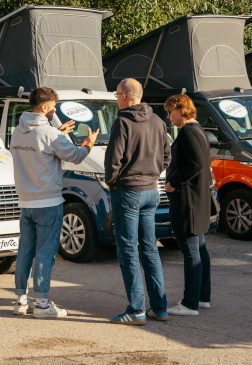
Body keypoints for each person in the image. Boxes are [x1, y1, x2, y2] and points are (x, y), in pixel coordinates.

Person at [10, 87, 99, 319]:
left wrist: (57, 133)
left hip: (26, 202)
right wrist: (89, 143)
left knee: (25, 252)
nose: (55, 110)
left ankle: (21, 301)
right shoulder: (49, 134)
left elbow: (38, 148)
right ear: (43, 107)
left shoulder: (18, 131)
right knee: (45, 254)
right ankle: (41, 304)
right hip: (48, 201)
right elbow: (76, 156)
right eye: (53, 106)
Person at [105, 78, 171, 325]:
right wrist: (153, 173)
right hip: (151, 191)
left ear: (124, 96)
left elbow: (113, 159)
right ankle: (160, 307)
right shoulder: (157, 121)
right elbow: (167, 156)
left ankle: (136, 309)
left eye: (117, 94)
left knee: (128, 250)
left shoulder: (122, 121)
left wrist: (112, 182)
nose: (117, 98)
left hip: (128, 191)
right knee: (150, 249)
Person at [164, 94, 211, 316]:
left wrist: (173, 183)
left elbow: (196, 164)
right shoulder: (197, 130)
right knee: (199, 249)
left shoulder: (188, 132)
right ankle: (202, 297)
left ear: (180, 109)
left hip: (188, 200)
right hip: (196, 199)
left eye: (170, 112)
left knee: (191, 253)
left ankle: (190, 303)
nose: (168, 116)